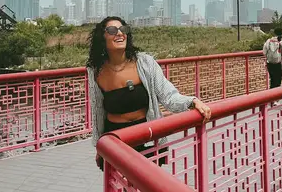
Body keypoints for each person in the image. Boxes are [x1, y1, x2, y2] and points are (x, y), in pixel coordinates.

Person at [87, 17, 211, 169]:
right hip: (115, 139)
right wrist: (100, 146)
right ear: (102, 37)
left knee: (147, 189)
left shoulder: (145, 63)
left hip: (147, 136)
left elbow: (168, 95)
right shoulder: (96, 71)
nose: (119, 33)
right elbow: (98, 111)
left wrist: (192, 102)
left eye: (123, 29)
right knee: (122, 190)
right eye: (112, 30)